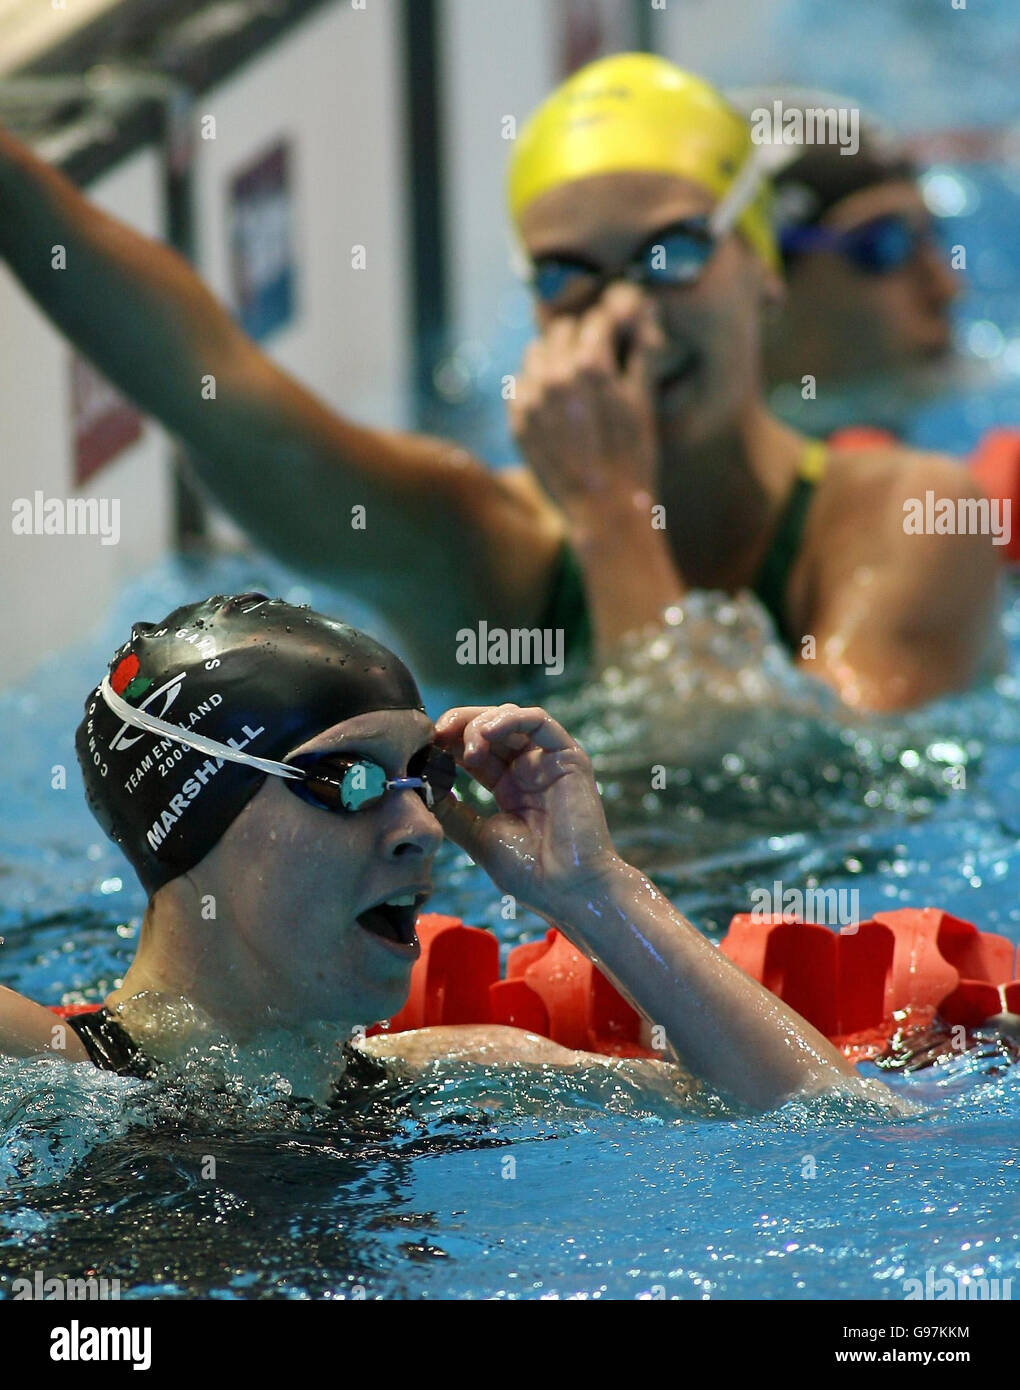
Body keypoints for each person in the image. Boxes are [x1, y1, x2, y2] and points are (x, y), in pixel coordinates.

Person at [0, 54, 999, 710]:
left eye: (669, 256)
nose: (624, 315)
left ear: (764, 272)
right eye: (569, 276)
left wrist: (613, 515)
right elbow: (204, 384)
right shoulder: (484, 550)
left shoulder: (906, 521)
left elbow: (724, 804)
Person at [0, 593, 885, 1114]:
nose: (421, 827)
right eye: (346, 780)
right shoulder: (48, 1076)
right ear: (192, 820)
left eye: (422, 776)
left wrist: (593, 891)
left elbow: (828, 1126)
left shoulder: (454, 1078)